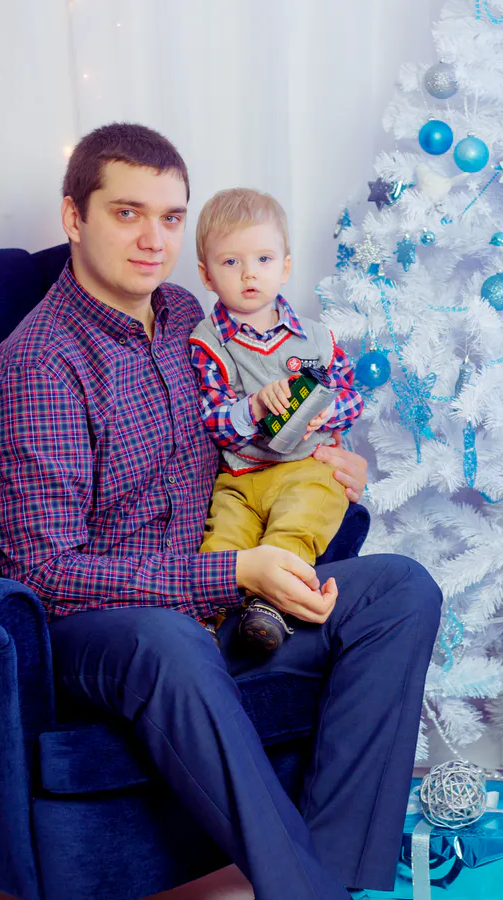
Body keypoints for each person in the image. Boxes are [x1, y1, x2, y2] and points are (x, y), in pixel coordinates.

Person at [0, 122, 442, 900]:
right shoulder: (39, 366)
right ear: (73, 217)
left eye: (170, 217)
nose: (152, 239)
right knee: (168, 639)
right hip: (109, 631)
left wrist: (320, 455)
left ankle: (336, 878)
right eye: (127, 213)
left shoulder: (188, 316)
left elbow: (242, 436)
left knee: (400, 590)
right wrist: (232, 573)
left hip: (222, 603)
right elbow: (45, 575)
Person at [189, 188, 363, 653]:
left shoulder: (317, 338)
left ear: (284, 267)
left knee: (302, 519)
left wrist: (328, 410)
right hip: (240, 476)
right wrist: (254, 407)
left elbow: (352, 397)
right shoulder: (206, 344)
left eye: (263, 259)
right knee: (223, 538)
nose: (249, 273)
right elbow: (212, 419)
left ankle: (271, 608)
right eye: (231, 262)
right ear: (206, 275)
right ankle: (202, 623)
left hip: (306, 467)